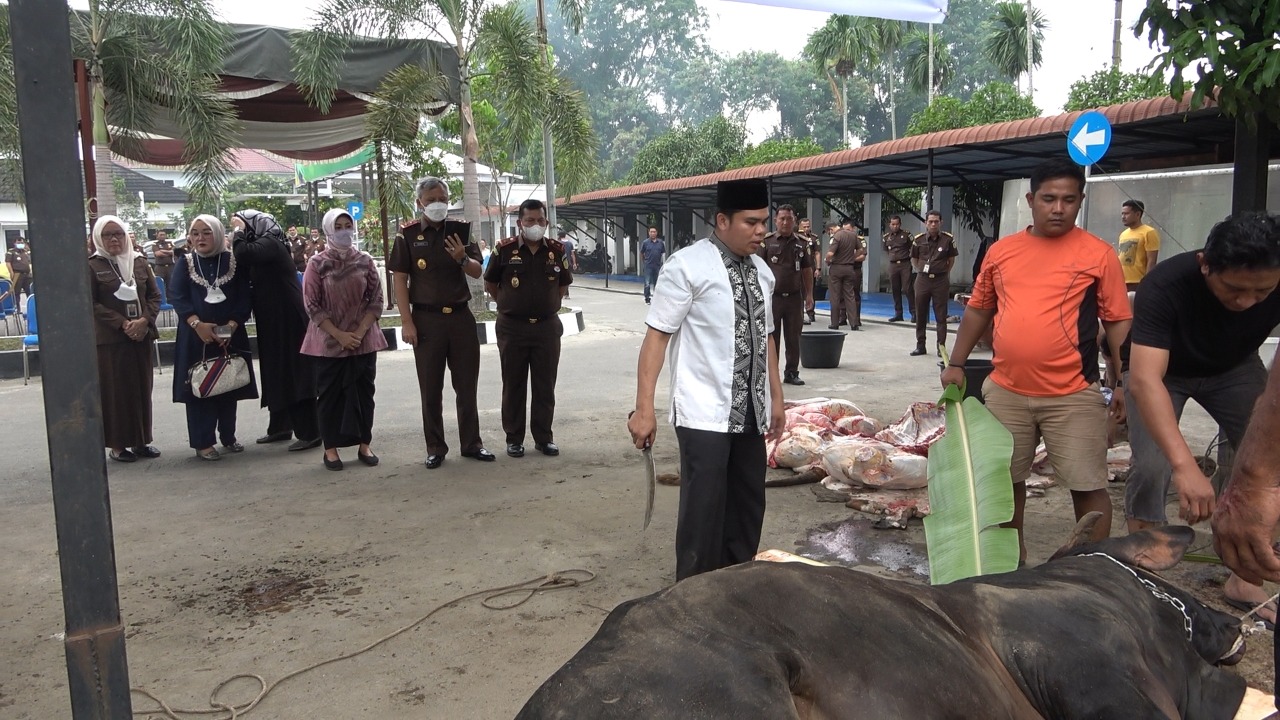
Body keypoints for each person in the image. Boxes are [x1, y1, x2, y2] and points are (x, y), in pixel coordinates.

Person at [941, 157, 1131, 561]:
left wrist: (1124, 382)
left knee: (1088, 485)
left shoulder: (1099, 255)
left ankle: (1093, 567)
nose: (1058, 208)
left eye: (1068, 200)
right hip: (1007, 391)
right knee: (1004, 483)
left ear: (1080, 201)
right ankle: (1011, 560)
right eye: (1048, 199)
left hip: (1074, 394)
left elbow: (1117, 323)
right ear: (1031, 199)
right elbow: (979, 309)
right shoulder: (1002, 252)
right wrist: (956, 363)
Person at [1124, 211, 1280, 624]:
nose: (1246, 302)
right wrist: (1185, 465)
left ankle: (1244, 574)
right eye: (1233, 289)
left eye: (1261, 294)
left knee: (1266, 462)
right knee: (1153, 466)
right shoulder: (1165, 285)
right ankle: (1143, 567)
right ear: (1205, 265)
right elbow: (1144, 379)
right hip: (1163, 372)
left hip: (1233, 368)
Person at [627, 178, 785, 581]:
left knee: (748, 509)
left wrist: (776, 399)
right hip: (703, 415)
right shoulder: (686, 266)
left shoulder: (763, 273)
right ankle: (693, 600)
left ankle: (736, 591)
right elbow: (656, 338)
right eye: (751, 222)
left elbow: (767, 338)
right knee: (704, 513)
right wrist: (644, 408)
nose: (761, 230)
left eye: (764, 221)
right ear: (722, 220)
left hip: (750, 413)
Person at [389, 176, 494, 469]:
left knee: (466, 386)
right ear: (420, 202)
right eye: (431, 199)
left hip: (460, 318)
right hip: (426, 320)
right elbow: (399, 279)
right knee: (431, 389)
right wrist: (407, 322)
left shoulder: (460, 230)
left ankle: (472, 443)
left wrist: (462, 258)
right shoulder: (407, 234)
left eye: (443, 199)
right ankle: (435, 447)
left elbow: (477, 272)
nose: (438, 204)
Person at [484, 199, 573, 458]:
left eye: (540, 221)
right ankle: (514, 439)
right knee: (514, 384)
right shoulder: (504, 249)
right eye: (530, 220)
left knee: (545, 385)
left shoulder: (556, 251)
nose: (535, 225)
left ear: (546, 222)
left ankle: (544, 438)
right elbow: (491, 283)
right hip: (512, 327)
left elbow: (562, 286)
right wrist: (509, 303)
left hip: (546, 327)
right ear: (520, 222)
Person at [301, 208, 387, 471]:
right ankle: (331, 450)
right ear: (328, 230)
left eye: (347, 225)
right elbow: (312, 305)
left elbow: (376, 299)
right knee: (330, 396)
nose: (343, 231)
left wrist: (359, 333)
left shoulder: (365, 260)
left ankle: (365, 444)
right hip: (328, 343)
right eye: (337, 226)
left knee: (364, 394)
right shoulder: (316, 264)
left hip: (364, 340)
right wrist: (339, 335)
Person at [169, 215, 259, 461]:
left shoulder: (233, 261)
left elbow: (244, 296)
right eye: (195, 233)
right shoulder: (186, 262)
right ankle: (203, 442)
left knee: (227, 382)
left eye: (206, 232)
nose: (200, 238)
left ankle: (228, 436)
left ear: (218, 234)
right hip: (196, 336)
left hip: (229, 334)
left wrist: (230, 326)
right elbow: (177, 296)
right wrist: (197, 324)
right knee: (200, 388)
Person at [231, 209, 321, 452]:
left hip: (288, 317)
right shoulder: (265, 244)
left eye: (243, 226)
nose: (239, 231)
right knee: (276, 370)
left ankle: (311, 431)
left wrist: (238, 232)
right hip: (272, 317)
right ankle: (280, 426)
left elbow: (243, 253)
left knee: (295, 372)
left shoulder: (270, 242)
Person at [89, 215, 162, 463]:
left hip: (141, 336)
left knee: (141, 388)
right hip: (111, 340)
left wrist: (144, 321)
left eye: (118, 234)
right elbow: (91, 302)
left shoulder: (139, 262)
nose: (114, 239)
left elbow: (154, 296)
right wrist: (122, 323)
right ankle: (119, 445)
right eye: (107, 235)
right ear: (98, 238)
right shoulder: (92, 265)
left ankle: (142, 441)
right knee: (116, 392)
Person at [759, 204, 814, 385]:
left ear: (795, 221)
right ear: (775, 221)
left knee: (793, 337)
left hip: (793, 298)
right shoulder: (766, 242)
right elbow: (757, 268)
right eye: (781, 219)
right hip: (772, 298)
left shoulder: (802, 243)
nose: (785, 222)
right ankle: (771, 374)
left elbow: (807, 270)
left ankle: (791, 372)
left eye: (789, 219)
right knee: (771, 338)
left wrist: (809, 295)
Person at [910, 211, 957, 356]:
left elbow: (951, 260)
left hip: (940, 280)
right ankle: (920, 345)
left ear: (941, 222)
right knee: (921, 313)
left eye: (936, 221)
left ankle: (941, 347)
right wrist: (921, 271)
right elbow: (914, 259)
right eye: (930, 221)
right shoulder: (918, 240)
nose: (933, 224)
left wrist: (941, 271)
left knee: (940, 315)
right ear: (926, 223)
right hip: (923, 280)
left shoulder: (948, 240)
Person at [825, 220, 865, 330]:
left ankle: (835, 323)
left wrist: (827, 260)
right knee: (850, 296)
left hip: (837, 268)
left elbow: (830, 253)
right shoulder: (853, 235)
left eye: (829, 232)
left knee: (835, 296)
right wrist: (852, 258)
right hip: (849, 268)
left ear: (831, 229)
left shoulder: (837, 237)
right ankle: (854, 323)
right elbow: (861, 250)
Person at [1118, 199, 1160, 291]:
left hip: (1138, 282)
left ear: (1137, 214)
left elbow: (1151, 261)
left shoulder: (1148, 232)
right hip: (1122, 282)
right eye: (1122, 214)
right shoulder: (1123, 234)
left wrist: (1147, 283)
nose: (1123, 217)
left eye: (1126, 214)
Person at [882, 215, 915, 323]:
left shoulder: (906, 235)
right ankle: (898, 314)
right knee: (895, 289)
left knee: (907, 288)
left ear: (900, 224)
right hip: (893, 265)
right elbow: (887, 250)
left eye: (897, 224)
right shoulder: (886, 237)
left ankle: (914, 313)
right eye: (893, 224)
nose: (895, 226)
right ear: (890, 225)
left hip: (905, 264)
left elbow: (913, 248)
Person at [798, 218, 820, 325]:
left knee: (810, 290)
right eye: (804, 226)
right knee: (799, 292)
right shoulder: (796, 237)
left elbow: (817, 253)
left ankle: (811, 312)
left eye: (808, 226)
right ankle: (799, 314)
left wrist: (818, 268)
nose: (806, 228)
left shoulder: (814, 238)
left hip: (810, 268)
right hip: (798, 269)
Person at [640, 226, 665, 305]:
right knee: (647, 283)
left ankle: (657, 298)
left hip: (657, 266)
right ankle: (647, 298)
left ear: (656, 233)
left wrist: (663, 263)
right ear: (649, 233)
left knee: (657, 283)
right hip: (648, 265)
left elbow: (663, 253)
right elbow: (641, 253)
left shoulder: (660, 243)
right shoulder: (645, 243)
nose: (653, 233)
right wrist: (644, 262)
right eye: (651, 232)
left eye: (654, 232)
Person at [6, 236, 31, 309]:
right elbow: (8, 263)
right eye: (19, 242)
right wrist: (11, 273)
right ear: (14, 243)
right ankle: (17, 308)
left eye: (22, 242)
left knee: (29, 292)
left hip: (27, 275)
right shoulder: (11, 252)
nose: (21, 244)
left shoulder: (25, 252)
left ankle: (31, 308)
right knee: (16, 293)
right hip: (17, 274)